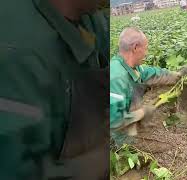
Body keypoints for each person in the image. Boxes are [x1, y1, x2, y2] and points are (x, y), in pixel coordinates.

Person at [0, 0, 108, 179]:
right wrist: (100, 159)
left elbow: (106, 41)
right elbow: (17, 170)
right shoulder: (16, 56)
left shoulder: (82, 15)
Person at [110, 27, 187, 145]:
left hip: (127, 121)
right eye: (146, 48)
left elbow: (151, 73)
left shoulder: (131, 66)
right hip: (116, 134)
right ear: (136, 47)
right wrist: (142, 113)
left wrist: (176, 75)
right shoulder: (116, 78)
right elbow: (114, 121)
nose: (146, 53)